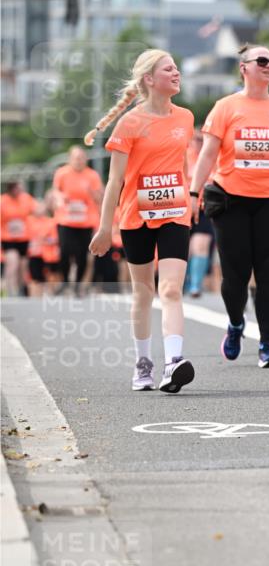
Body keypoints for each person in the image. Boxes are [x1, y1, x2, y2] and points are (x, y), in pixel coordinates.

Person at [87, 49, 196, 393]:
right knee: (143, 294)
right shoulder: (130, 123)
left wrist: (191, 195)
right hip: (136, 217)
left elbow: (180, 165)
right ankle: (143, 362)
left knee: (172, 288)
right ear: (150, 79)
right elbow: (114, 181)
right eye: (169, 69)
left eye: (177, 67)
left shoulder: (186, 117)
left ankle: (174, 362)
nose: (177, 72)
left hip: (176, 213)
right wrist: (106, 228)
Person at [190, 44, 269, 368]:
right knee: (235, 275)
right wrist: (193, 193)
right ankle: (236, 323)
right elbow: (208, 153)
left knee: (268, 273)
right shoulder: (226, 107)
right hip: (232, 200)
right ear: (244, 68)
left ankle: (268, 345)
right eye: (262, 61)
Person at [51, 145, 103, 294]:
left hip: (85, 221)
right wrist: (60, 198)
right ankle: (65, 280)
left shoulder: (92, 175)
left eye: (81, 158)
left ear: (86, 159)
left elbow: (100, 197)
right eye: (76, 158)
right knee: (65, 251)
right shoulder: (62, 173)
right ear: (70, 159)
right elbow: (55, 192)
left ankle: (78, 284)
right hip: (65, 220)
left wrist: (91, 193)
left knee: (82, 255)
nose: (79, 161)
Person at [184, 129, 215, 298]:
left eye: (204, 139)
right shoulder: (185, 156)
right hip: (183, 207)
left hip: (205, 208)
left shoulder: (213, 157)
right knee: (185, 248)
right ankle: (184, 283)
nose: (200, 142)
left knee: (200, 246)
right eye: (196, 138)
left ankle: (196, 285)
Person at [0, 181, 37, 296]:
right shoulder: (3, 201)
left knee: (23, 266)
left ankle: (21, 290)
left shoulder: (26, 199)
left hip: (24, 238)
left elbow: (38, 210)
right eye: (17, 189)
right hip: (8, 238)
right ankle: (9, 290)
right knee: (12, 262)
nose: (20, 191)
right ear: (11, 189)